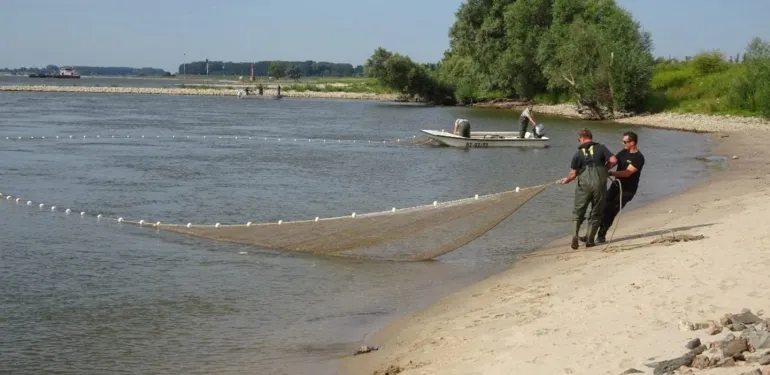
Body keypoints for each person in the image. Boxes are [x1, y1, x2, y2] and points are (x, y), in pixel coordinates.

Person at [580, 131, 645, 244]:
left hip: (627, 191)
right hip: (615, 186)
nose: (623, 143)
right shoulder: (623, 152)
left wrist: (610, 174)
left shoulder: (639, 158)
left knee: (610, 211)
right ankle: (589, 235)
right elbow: (612, 163)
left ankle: (601, 236)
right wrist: (601, 169)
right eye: (623, 141)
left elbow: (627, 173)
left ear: (633, 142)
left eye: (625, 141)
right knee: (601, 207)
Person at [559, 128, 617, 249]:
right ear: (591, 137)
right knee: (597, 212)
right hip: (599, 186)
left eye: (578, 140)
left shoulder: (578, 154)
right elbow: (613, 160)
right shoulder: (601, 148)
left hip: (584, 187)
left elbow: (573, 174)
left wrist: (566, 180)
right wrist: (605, 169)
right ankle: (590, 240)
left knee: (578, 212)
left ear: (582, 138)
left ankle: (575, 236)